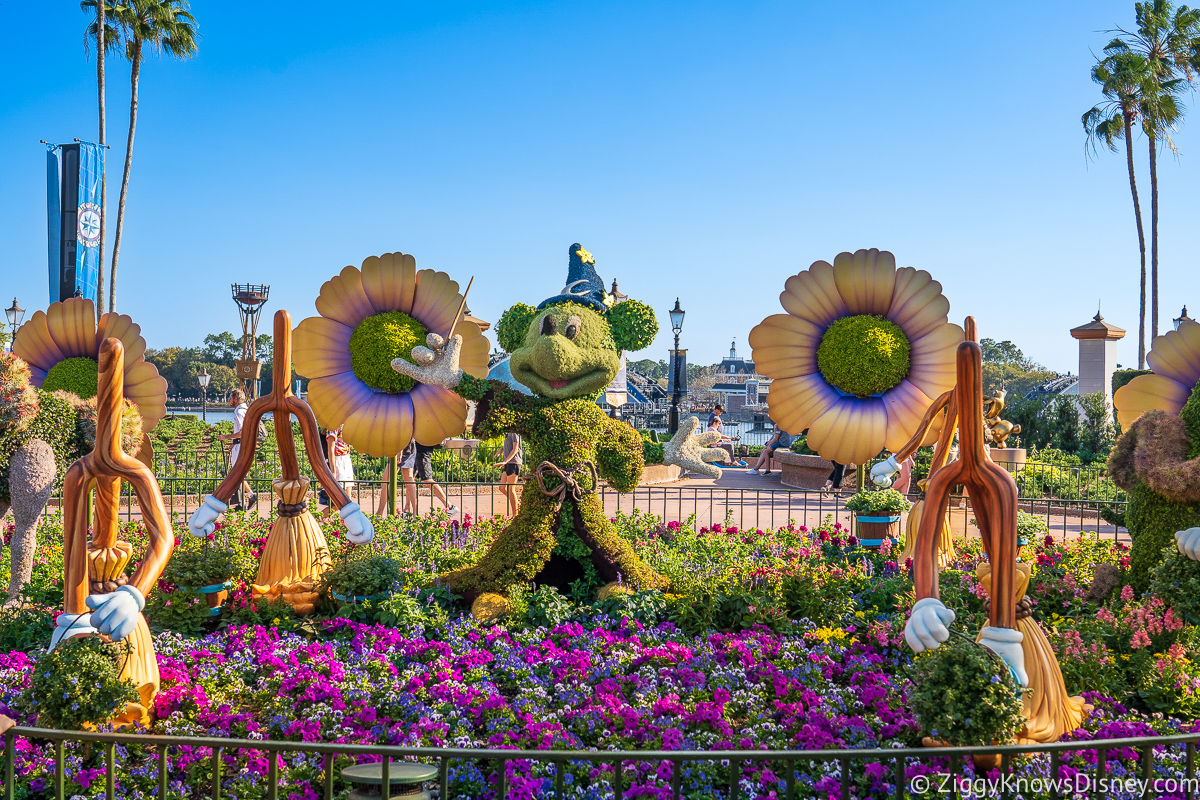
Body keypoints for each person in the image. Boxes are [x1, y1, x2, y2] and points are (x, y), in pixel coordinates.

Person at [217, 389, 257, 511]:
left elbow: (242, 432)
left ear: (236, 399)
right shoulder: (246, 410)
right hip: (241, 445)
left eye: (230, 398)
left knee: (237, 474)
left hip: (241, 447)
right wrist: (234, 443)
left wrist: (225, 437)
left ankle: (248, 497)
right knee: (238, 474)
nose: (229, 400)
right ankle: (244, 501)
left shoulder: (239, 412)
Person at [415, 440, 459, 517]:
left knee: (426, 479)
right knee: (410, 479)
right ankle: (407, 509)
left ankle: (450, 506)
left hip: (422, 448)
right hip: (418, 448)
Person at [494, 432, 523, 518]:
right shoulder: (508, 432)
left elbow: (515, 449)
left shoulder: (514, 432)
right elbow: (510, 445)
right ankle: (518, 505)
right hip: (508, 462)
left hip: (514, 462)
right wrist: (501, 449)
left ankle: (515, 516)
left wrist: (505, 461)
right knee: (502, 488)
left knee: (511, 489)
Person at [326, 425, 354, 490]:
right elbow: (331, 450)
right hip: (338, 459)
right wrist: (333, 471)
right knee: (340, 490)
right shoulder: (333, 427)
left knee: (348, 491)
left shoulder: (346, 424)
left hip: (347, 458)